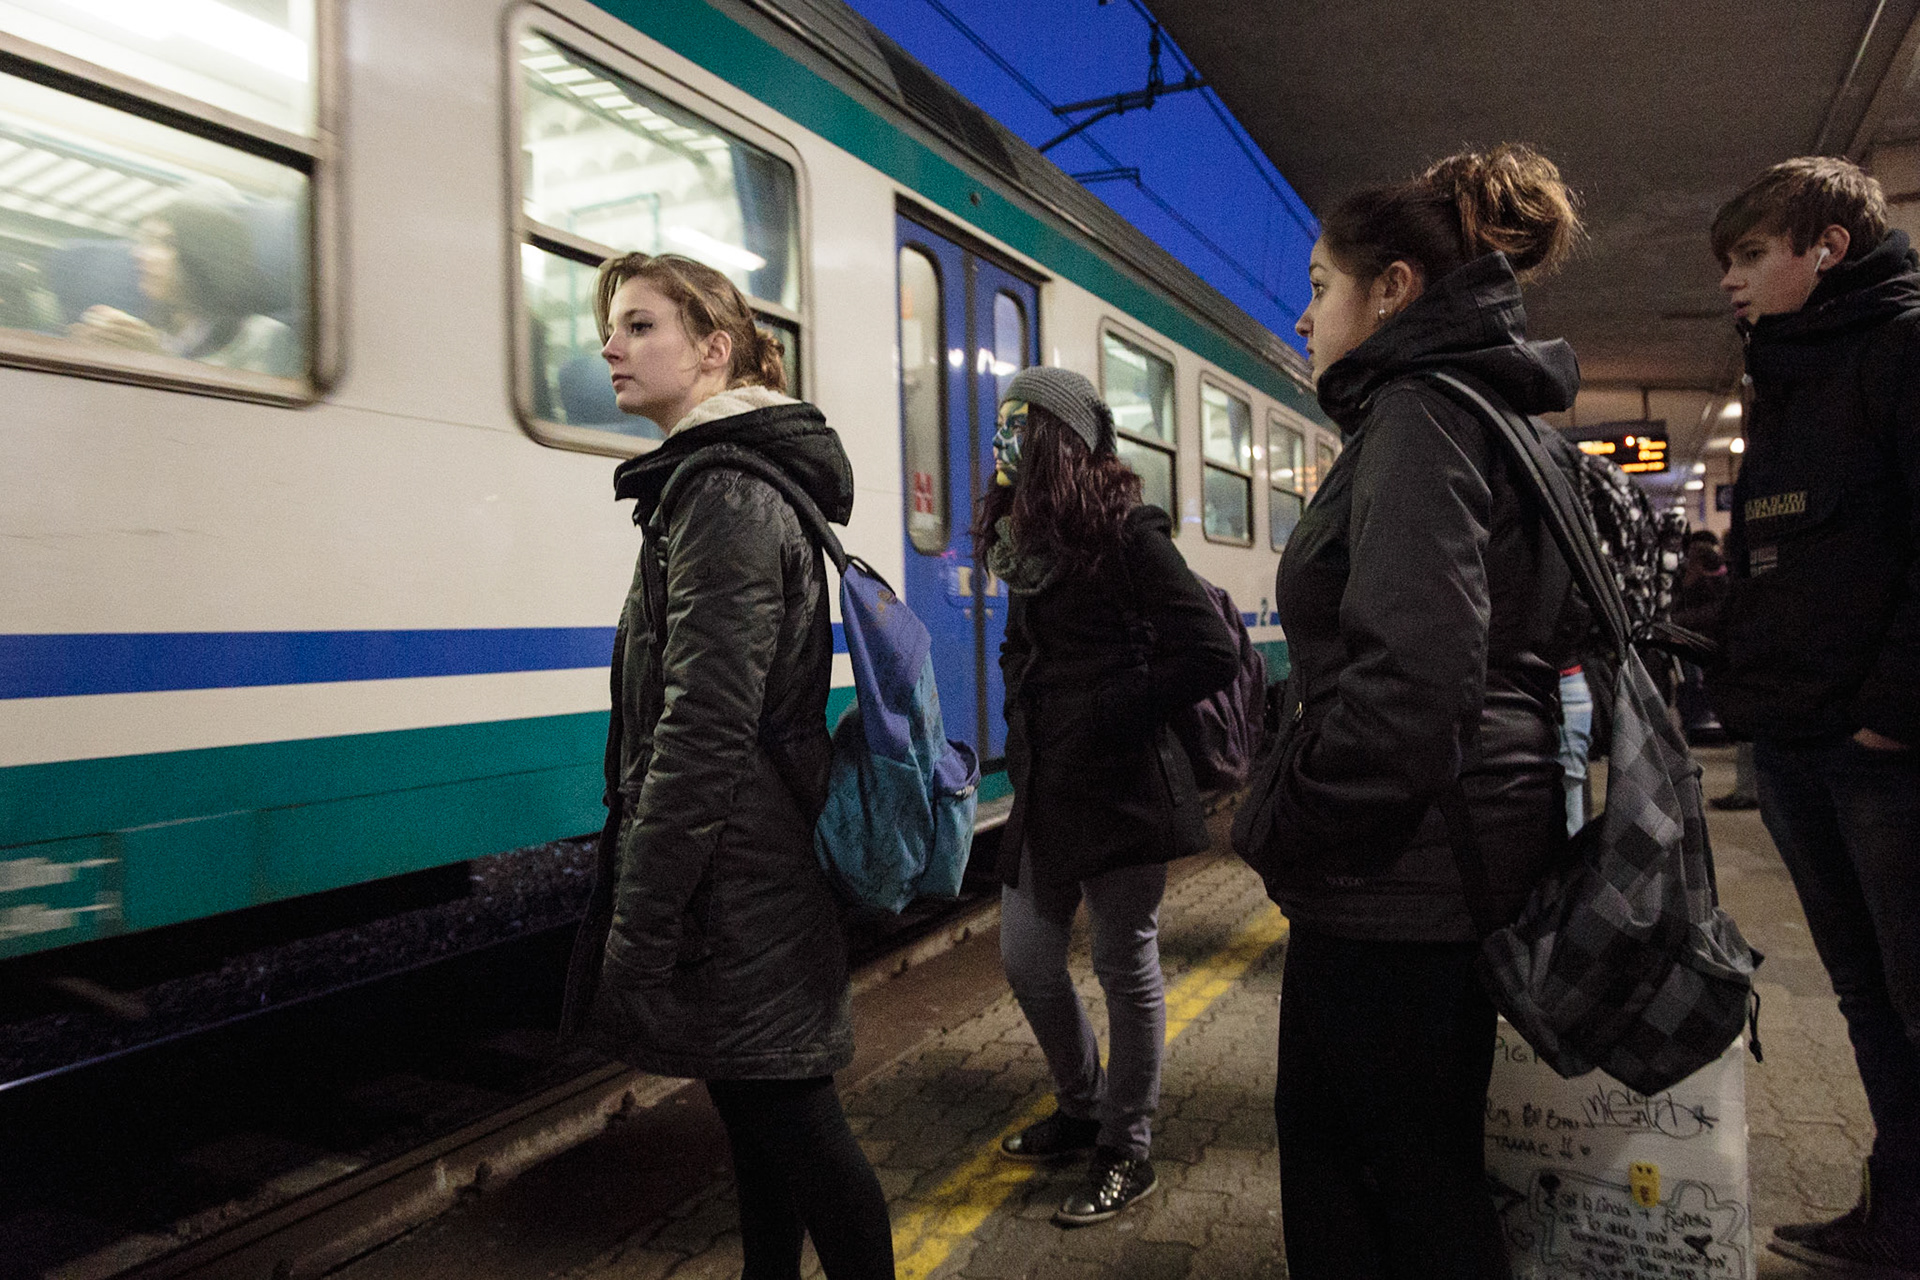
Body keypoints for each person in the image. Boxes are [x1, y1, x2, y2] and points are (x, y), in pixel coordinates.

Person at [1255, 143, 1582, 1279]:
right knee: (1422, 1163)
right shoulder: (1492, 408)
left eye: (1315, 286)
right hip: (1454, 849)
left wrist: (1280, 817)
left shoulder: (1416, 415)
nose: (1302, 318)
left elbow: (1412, 688)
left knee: (1367, 1175)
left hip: (1398, 872)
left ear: (1391, 289)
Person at [559, 252, 893, 1280]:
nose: (610, 345)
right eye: (610, 326)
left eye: (639, 325)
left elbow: (702, 727)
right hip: (739, 862)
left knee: (797, 1125)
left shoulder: (726, 496)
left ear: (714, 350)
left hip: (739, 875)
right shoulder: (708, 484)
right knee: (758, 1119)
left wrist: (642, 915)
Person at [1707, 156, 1920, 1273]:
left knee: (1913, 994)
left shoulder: (1902, 353)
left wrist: (1889, 714)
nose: (1732, 283)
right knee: (1865, 993)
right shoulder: (1786, 376)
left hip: (1878, 754)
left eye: (1750, 255)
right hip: (1798, 742)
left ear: (1824, 248)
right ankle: (1904, 1213)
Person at [976, 366, 1236, 1226]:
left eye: (1017, 425)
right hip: (1051, 783)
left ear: (1059, 442)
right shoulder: (1025, 538)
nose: (1000, 440)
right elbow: (1020, 651)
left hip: (1122, 785)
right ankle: (1080, 1102)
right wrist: (1026, 723)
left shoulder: (1128, 534)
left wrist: (1106, 710)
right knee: (1028, 956)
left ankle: (1128, 1147)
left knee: (1127, 965)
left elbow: (1208, 649)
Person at [66, 197, 296, 376]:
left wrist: (157, 361)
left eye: (165, 242)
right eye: (144, 242)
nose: (140, 254)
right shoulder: (157, 332)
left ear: (206, 255)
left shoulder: (263, 337)